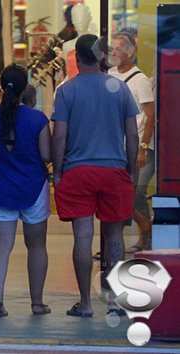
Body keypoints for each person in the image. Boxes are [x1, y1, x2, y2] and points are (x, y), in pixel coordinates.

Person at [52, 34, 139, 317]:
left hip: (78, 171)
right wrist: (131, 170)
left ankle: (86, 303)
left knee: (83, 236)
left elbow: (60, 136)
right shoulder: (119, 88)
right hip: (114, 170)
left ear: (76, 58)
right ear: (102, 56)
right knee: (114, 237)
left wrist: (58, 170)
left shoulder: (66, 91)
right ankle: (115, 302)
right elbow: (133, 135)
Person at [0, 64, 52, 317]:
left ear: (0, 85)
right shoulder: (38, 119)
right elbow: (46, 154)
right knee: (37, 246)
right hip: (33, 188)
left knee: (0, 247)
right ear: (25, 89)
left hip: (0, 186)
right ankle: (37, 302)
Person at [109, 32, 155, 252]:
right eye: (113, 48)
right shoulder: (108, 75)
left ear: (130, 52)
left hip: (137, 146)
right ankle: (141, 229)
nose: (114, 52)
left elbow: (149, 115)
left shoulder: (140, 80)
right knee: (120, 193)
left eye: (119, 48)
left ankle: (146, 233)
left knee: (135, 192)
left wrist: (143, 147)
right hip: (115, 146)